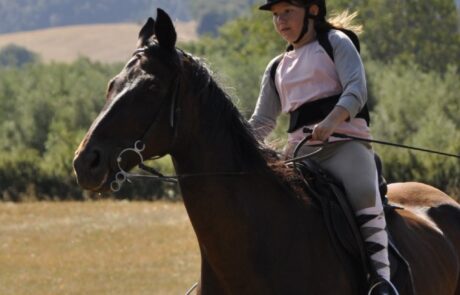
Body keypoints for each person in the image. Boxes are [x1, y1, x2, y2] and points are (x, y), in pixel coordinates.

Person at [250, 0, 399, 294]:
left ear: (312, 11)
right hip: (298, 154)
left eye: (287, 12)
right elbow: (263, 121)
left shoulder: (335, 42)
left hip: (344, 146)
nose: (280, 21)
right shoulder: (276, 67)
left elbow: (356, 90)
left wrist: (331, 122)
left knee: (363, 192)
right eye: (276, 16)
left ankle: (382, 280)